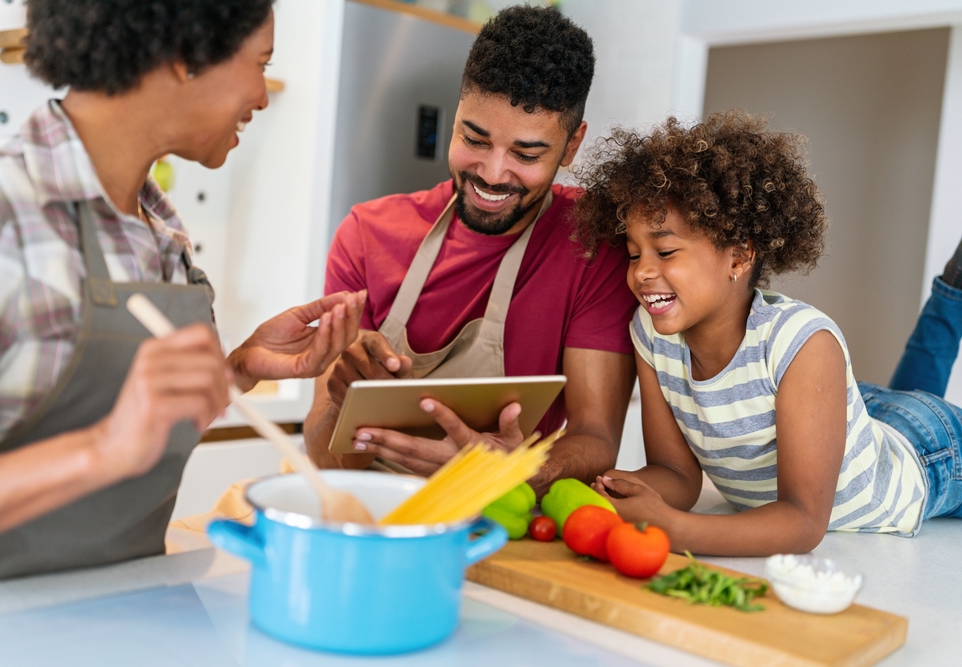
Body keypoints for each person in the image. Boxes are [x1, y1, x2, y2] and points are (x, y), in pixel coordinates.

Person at [0, 0, 364, 583]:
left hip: (131, 616)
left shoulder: (157, 231)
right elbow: (113, 442)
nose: (260, 94)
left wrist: (235, 374)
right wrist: (101, 449)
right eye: (260, 62)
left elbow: (138, 438)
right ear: (185, 55)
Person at [572, 111, 962, 557]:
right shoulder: (651, 336)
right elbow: (674, 476)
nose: (642, 270)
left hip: (930, 454)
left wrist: (675, 529)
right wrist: (598, 490)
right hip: (846, 416)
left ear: (738, 258)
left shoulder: (805, 345)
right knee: (902, 398)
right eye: (633, 252)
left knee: (917, 405)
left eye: (664, 251)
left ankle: (951, 293)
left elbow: (801, 520)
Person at [304, 5, 637, 493]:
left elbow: (596, 437)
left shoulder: (592, 244)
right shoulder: (366, 234)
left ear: (571, 147)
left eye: (526, 154)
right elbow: (325, 461)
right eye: (474, 138)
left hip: (500, 508)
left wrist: (516, 469)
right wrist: (342, 402)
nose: (492, 173)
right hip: (370, 506)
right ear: (456, 114)